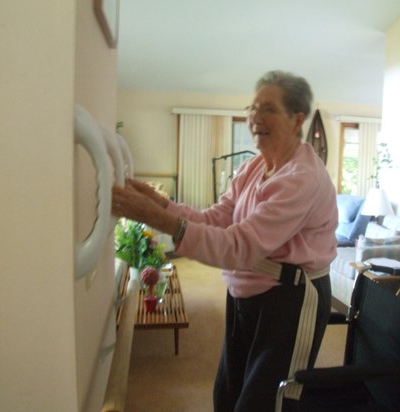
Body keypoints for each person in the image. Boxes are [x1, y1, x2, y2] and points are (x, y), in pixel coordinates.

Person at [112, 70, 338, 412]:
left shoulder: (302, 178)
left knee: (266, 403)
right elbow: (216, 218)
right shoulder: (253, 167)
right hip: (244, 293)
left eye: (268, 109)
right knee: (227, 395)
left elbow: (238, 247)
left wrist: (156, 217)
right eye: (252, 107)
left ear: (297, 120)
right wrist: (160, 203)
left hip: (289, 300)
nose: (254, 118)